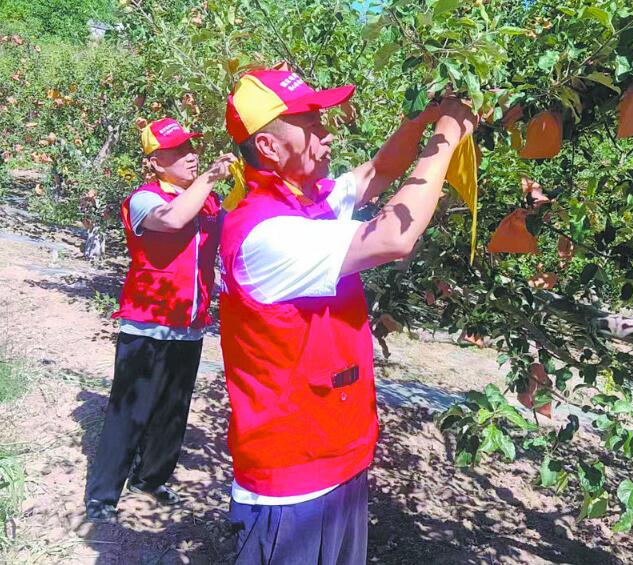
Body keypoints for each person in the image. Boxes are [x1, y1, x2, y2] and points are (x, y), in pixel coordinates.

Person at [219, 68, 477, 563]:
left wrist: (425, 112)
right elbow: (392, 238)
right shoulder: (264, 232)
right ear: (270, 148)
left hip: (337, 456)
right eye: (312, 123)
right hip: (291, 483)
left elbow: (381, 169)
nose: (327, 131)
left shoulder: (308, 200)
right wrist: (447, 134)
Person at [85, 117, 236, 522]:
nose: (191, 157)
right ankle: (102, 495)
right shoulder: (144, 198)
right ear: (154, 162)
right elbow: (171, 219)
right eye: (179, 151)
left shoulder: (209, 200)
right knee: (130, 410)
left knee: (173, 408)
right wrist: (208, 179)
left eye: (193, 149)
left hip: (190, 325)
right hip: (148, 323)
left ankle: (150, 480)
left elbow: (231, 229)